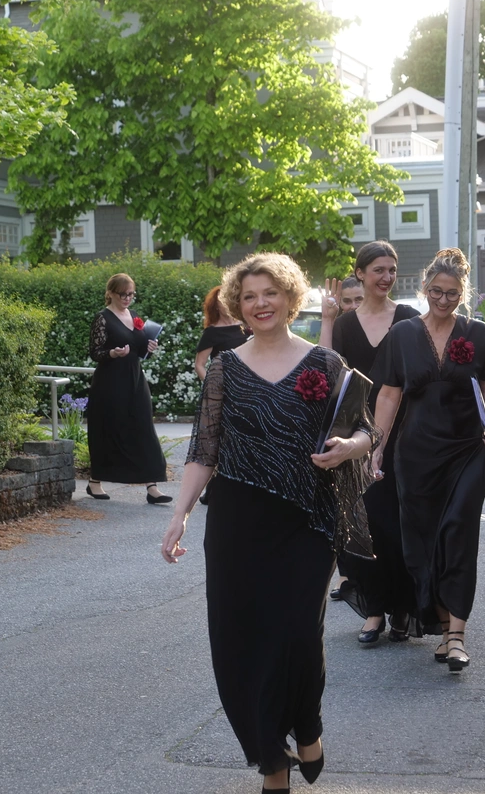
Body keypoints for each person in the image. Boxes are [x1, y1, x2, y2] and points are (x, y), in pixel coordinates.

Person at [161, 253, 375, 794]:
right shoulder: (225, 368)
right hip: (237, 522)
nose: (260, 304)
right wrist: (180, 514)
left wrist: (348, 447)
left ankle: (308, 725)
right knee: (239, 641)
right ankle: (272, 763)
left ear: (289, 297)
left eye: (270, 293)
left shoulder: (325, 362)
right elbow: (204, 449)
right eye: (250, 296)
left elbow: (366, 431)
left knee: (296, 634)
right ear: (238, 305)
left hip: (307, 521)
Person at [370, 248, 485, 673]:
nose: (443, 300)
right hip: (416, 456)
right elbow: (388, 395)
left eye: (451, 294)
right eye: (436, 292)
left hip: (469, 451)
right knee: (422, 544)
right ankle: (445, 627)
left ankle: (458, 637)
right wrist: (377, 446)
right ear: (424, 288)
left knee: (458, 533)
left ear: (462, 294)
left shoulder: (477, 333)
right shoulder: (403, 335)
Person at [318, 240, 420, 646]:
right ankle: (375, 609)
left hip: (405, 433)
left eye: (392, 270)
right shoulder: (345, 325)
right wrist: (327, 320)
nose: (387, 277)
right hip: (357, 435)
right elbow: (327, 372)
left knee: (400, 524)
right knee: (365, 523)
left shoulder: (408, 317)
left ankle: (404, 608)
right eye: (378, 270)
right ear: (359, 273)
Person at [85, 273, 171, 504]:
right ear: (111, 293)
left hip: (135, 379)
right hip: (110, 382)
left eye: (131, 294)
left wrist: (149, 347)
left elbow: (138, 349)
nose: (127, 298)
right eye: (123, 294)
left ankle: (152, 485)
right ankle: (95, 481)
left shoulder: (133, 316)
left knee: (144, 428)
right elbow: (95, 352)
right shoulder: (102, 318)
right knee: (109, 429)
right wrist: (112, 353)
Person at [194, 285, 249, 381]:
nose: (226, 304)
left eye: (229, 300)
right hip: (228, 383)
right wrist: (213, 385)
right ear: (216, 306)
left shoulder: (247, 324)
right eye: (222, 301)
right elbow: (199, 365)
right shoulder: (212, 332)